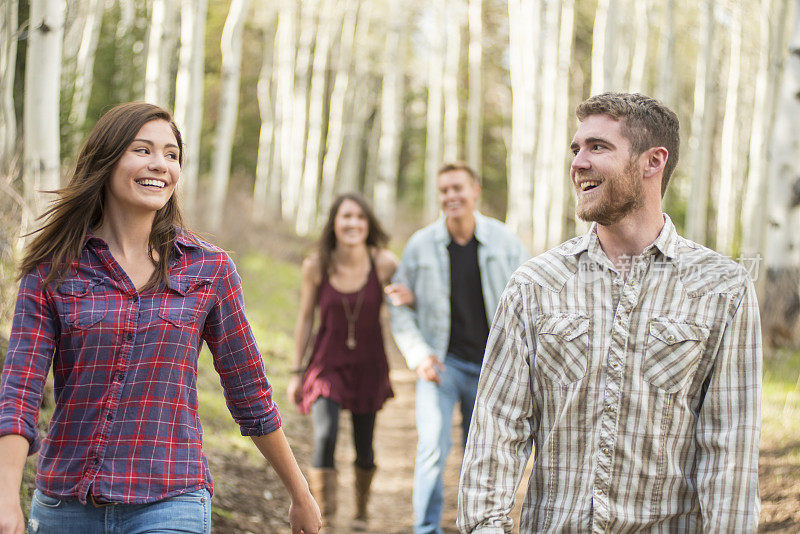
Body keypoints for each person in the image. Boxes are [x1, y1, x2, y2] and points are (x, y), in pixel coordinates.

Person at [0, 102, 321, 534]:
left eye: (172, 155)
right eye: (142, 150)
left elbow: (250, 393)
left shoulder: (209, 270)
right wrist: (6, 500)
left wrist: (299, 492)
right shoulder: (54, 270)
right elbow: (19, 391)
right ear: (106, 159)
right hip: (66, 504)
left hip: (171, 501)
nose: (160, 165)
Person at [458, 92, 762, 533]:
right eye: (576, 149)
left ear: (652, 162)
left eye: (597, 147)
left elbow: (729, 451)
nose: (578, 162)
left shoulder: (723, 289)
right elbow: (498, 429)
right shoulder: (535, 285)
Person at [387, 162, 529, 534]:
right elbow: (398, 304)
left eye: (457, 188)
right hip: (442, 364)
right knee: (432, 449)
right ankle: (426, 529)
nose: (451, 197)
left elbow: (531, 302)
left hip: (492, 368)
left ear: (475, 191)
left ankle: (477, 526)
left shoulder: (506, 242)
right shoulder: (420, 245)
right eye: (444, 190)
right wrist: (418, 355)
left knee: (480, 454)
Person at [287, 193, 398, 530]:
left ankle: (361, 513)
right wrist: (296, 371)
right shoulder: (317, 265)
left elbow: (404, 307)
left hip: (369, 365)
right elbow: (306, 318)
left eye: (360, 218)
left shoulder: (385, 264)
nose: (353, 224)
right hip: (326, 364)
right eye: (346, 217)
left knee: (365, 446)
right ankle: (325, 520)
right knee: (325, 436)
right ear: (334, 223)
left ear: (369, 225)